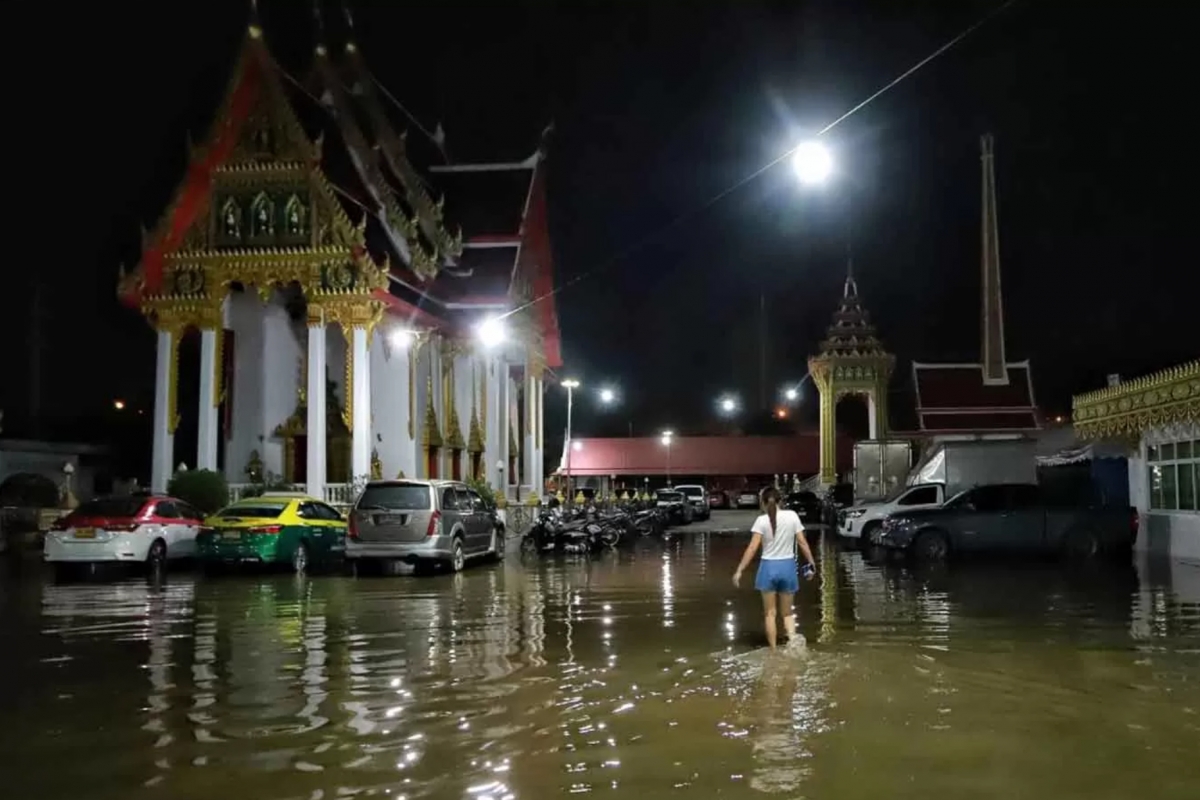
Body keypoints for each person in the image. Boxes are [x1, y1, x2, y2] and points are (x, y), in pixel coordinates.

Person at [732, 485, 817, 649]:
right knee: (788, 613)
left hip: (768, 569)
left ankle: (773, 652)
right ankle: (793, 643)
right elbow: (802, 542)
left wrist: (740, 570)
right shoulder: (792, 516)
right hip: (788, 568)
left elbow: (752, 548)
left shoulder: (761, 520)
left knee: (770, 614)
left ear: (763, 503)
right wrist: (812, 564)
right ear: (781, 501)